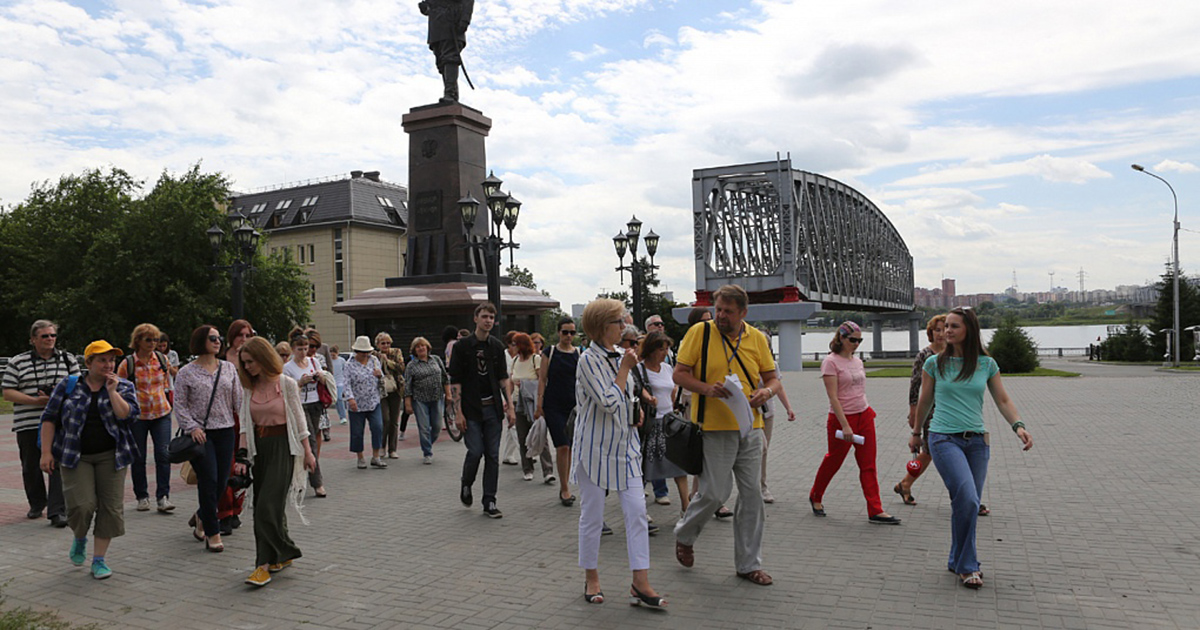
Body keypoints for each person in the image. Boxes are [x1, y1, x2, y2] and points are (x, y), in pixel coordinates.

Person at [914, 307, 1033, 589]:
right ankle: (969, 566)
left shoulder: (986, 364)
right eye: (945, 327)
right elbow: (925, 401)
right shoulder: (934, 364)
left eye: (954, 326)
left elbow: (1003, 400)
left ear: (970, 329)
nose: (947, 331)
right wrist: (916, 432)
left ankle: (957, 559)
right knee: (968, 499)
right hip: (943, 439)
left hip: (977, 442)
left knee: (964, 504)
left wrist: (1019, 426)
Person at [673, 285, 782, 586]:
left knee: (752, 496)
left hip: (750, 427)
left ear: (743, 313)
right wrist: (707, 389)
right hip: (713, 428)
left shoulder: (757, 338)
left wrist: (766, 391)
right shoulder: (700, 334)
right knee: (714, 493)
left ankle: (749, 564)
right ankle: (685, 534)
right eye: (718, 309)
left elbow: (773, 378)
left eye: (728, 312)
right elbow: (679, 374)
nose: (721, 315)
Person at [573, 298, 666, 608]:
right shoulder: (588, 360)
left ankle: (640, 581)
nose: (624, 327)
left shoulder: (619, 355)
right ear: (602, 327)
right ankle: (592, 576)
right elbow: (607, 401)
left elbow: (625, 399)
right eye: (618, 322)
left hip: (625, 445)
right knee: (593, 516)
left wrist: (635, 409)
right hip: (595, 448)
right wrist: (626, 369)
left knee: (637, 511)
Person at [39, 340, 139, 579]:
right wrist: (45, 452)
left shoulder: (123, 385)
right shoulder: (70, 385)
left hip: (112, 456)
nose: (108, 364)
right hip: (75, 455)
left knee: (110, 508)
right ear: (89, 362)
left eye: (111, 360)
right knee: (81, 506)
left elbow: (128, 416)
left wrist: (112, 391)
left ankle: (99, 560)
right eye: (102, 360)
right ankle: (80, 537)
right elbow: (49, 418)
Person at [236, 337, 316, 587]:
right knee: (267, 504)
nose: (247, 367)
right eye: (244, 363)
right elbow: (244, 425)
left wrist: (308, 452)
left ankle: (262, 566)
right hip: (259, 451)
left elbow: (299, 420)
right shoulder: (248, 388)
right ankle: (283, 553)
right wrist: (241, 457)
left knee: (265, 508)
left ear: (263, 358)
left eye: (250, 362)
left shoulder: (287, 384)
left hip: (283, 447)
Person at [808, 322, 901, 526]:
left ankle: (875, 510)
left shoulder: (857, 361)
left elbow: (859, 389)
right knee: (834, 460)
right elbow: (833, 397)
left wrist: (864, 413)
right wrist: (845, 426)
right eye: (853, 340)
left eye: (860, 340)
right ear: (841, 338)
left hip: (864, 415)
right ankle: (816, 495)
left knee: (868, 464)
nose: (857, 344)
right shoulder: (831, 362)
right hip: (842, 419)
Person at [3, 319, 80, 527]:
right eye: (45, 336)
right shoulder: (18, 362)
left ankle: (57, 511)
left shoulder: (67, 359)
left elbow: (79, 386)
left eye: (53, 335)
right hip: (28, 421)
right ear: (33, 339)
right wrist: (35, 401)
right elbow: (8, 391)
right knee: (31, 465)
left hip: (59, 422)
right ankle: (37, 503)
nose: (50, 339)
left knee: (58, 464)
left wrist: (58, 395)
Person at [174, 325, 242, 551]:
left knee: (222, 481)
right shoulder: (186, 372)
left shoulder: (228, 369)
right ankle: (213, 534)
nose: (218, 341)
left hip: (226, 431)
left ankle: (202, 515)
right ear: (201, 341)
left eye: (219, 338)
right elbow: (180, 405)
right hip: (200, 435)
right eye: (213, 338)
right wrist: (191, 427)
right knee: (209, 480)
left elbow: (238, 400)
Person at [449, 302, 515, 518]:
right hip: (471, 410)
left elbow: (503, 379)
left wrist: (510, 407)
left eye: (491, 317)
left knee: (493, 456)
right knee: (476, 451)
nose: (488, 320)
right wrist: (457, 413)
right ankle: (466, 482)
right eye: (484, 316)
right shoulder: (462, 347)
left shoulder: (496, 347)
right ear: (475, 318)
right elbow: (455, 382)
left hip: (493, 410)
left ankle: (490, 500)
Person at [116, 323, 175, 514]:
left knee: (163, 454)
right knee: (138, 457)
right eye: (148, 340)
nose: (153, 343)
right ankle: (142, 496)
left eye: (156, 340)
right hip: (138, 416)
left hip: (161, 413)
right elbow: (119, 387)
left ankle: (163, 497)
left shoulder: (161, 359)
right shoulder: (128, 363)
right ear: (138, 341)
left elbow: (166, 383)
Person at [894, 314, 947, 507]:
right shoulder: (925, 355)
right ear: (931, 333)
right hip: (930, 410)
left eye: (944, 329)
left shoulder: (955, 353)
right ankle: (964, 494)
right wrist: (914, 411)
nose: (941, 334)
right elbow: (915, 385)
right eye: (937, 330)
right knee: (937, 448)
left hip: (951, 408)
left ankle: (906, 483)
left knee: (934, 449)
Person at [635, 331, 690, 515]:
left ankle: (686, 506)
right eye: (661, 349)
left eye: (666, 349)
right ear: (651, 350)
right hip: (651, 423)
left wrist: (674, 404)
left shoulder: (667, 368)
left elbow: (672, 388)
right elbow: (637, 388)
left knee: (679, 465)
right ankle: (640, 510)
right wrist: (648, 398)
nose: (664, 353)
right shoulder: (640, 369)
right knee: (645, 466)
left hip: (669, 422)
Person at [536, 317, 579, 498]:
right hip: (553, 405)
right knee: (562, 445)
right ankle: (564, 488)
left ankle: (567, 480)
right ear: (558, 332)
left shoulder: (579, 353)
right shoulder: (550, 352)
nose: (568, 336)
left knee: (570, 446)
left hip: (574, 406)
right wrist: (539, 404)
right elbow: (542, 379)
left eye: (572, 332)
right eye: (565, 332)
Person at [281, 329, 327, 498]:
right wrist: (300, 382)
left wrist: (320, 377)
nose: (303, 352)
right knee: (311, 443)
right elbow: (286, 390)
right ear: (293, 349)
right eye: (299, 349)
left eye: (306, 348)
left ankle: (299, 477)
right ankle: (318, 483)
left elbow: (325, 379)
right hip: (299, 406)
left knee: (308, 441)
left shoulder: (314, 362)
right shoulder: (287, 368)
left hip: (315, 403)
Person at [755, 325, 796, 504]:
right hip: (750, 412)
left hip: (768, 412)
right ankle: (752, 485)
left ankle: (762, 486)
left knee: (763, 452)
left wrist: (788, 407)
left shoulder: (772, 364)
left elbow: (778, 386)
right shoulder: (745, 361)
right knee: (760, 448)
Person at [509, 332, 553, 484]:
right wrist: (508, 401)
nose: (511, 347)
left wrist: (526, 385)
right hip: (517, 403)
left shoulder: (536, 359)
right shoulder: (515, 361)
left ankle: (548, 471)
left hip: (533, 402)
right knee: (523, 437)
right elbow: (510, 381)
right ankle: (527, 469)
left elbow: (542, 380)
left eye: (514, 344)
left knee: (540, 434)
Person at [404, 337, 451, 464]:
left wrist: (448, 394)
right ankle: (427, 452)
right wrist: (408, 403)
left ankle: (427, 443)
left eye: (423, 346)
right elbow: (407, 385)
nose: (421, 348)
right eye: (418, 347)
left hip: (437, 397)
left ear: (427, 347)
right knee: (424, 428)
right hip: (420, 399)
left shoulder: (435, 360)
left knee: (437, 426)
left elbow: (444, 378)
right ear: (414, 350)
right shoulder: (411, 365)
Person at [344, 336, 387, 469]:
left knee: (378, 427)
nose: (365, 354)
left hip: (373, 401)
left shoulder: (374, 360)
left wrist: (380, 375)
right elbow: (346, 383)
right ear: (356, 351)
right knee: (357, 431)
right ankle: (360, 457)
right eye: (362, 352)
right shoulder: (349, 364)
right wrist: (350, 398)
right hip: (356, 403)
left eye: (367, 352)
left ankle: (376, 456)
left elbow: (382, 377)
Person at [418, 0, 473, 103]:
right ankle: (452, 94)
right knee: (441, 62)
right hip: (436, 25)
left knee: (450, 57)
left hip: (451, 21)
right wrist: (425, 8)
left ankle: (450, 93)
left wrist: (465, 19)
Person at [375, 332, 408, 457]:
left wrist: (387, 361)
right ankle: (382, 446)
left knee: (394, 420)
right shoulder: (374, 355)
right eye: (383, 343)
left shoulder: (396, 352)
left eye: (388, 343)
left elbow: (401, 367)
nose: (386, 345)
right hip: (381, 391)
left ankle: (392, 449)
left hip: (395, 388)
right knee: (385, 419)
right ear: (377, 344)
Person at [499, 331, 523, 466]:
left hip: (519, 395)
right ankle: (525, 453)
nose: (517, 347)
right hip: (505, 394)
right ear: (508, 344)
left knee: (511, 425)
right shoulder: (503, 357)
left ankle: (508, 455)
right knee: (515, 426)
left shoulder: (521, 357)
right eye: (514, 344)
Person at [329, 345, 349, 425]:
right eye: (331, 355)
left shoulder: (342, 361)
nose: (333, 356)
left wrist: (345, 381)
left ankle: (343, 417)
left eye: (334, 354)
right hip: (331, 382)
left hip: (340, 382)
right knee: (335, 400)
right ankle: (340, 415)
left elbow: (346, 370)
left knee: (339, 398)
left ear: (337, 353)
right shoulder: (329, 361)